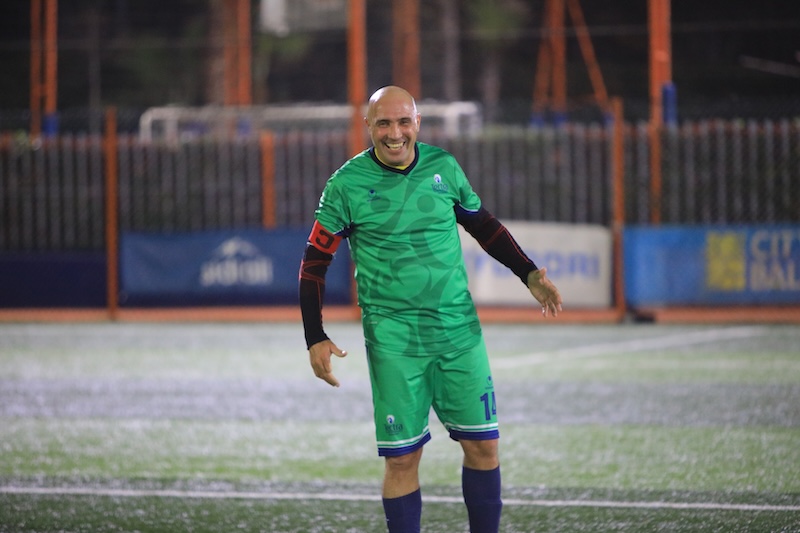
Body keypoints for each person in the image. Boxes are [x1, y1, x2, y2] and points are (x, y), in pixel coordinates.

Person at [298, 85, 562, 533]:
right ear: (368, 126)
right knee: (403, 458)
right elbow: (314, 263)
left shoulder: (444, 167)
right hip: (394, 340)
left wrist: (529, 273)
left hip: (458, 332)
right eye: (384, 123)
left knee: (484, 447)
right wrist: (315, 336)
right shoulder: (346, 185)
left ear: (418, 123)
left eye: (404, 122)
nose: (395, 133)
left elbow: (484, 226)